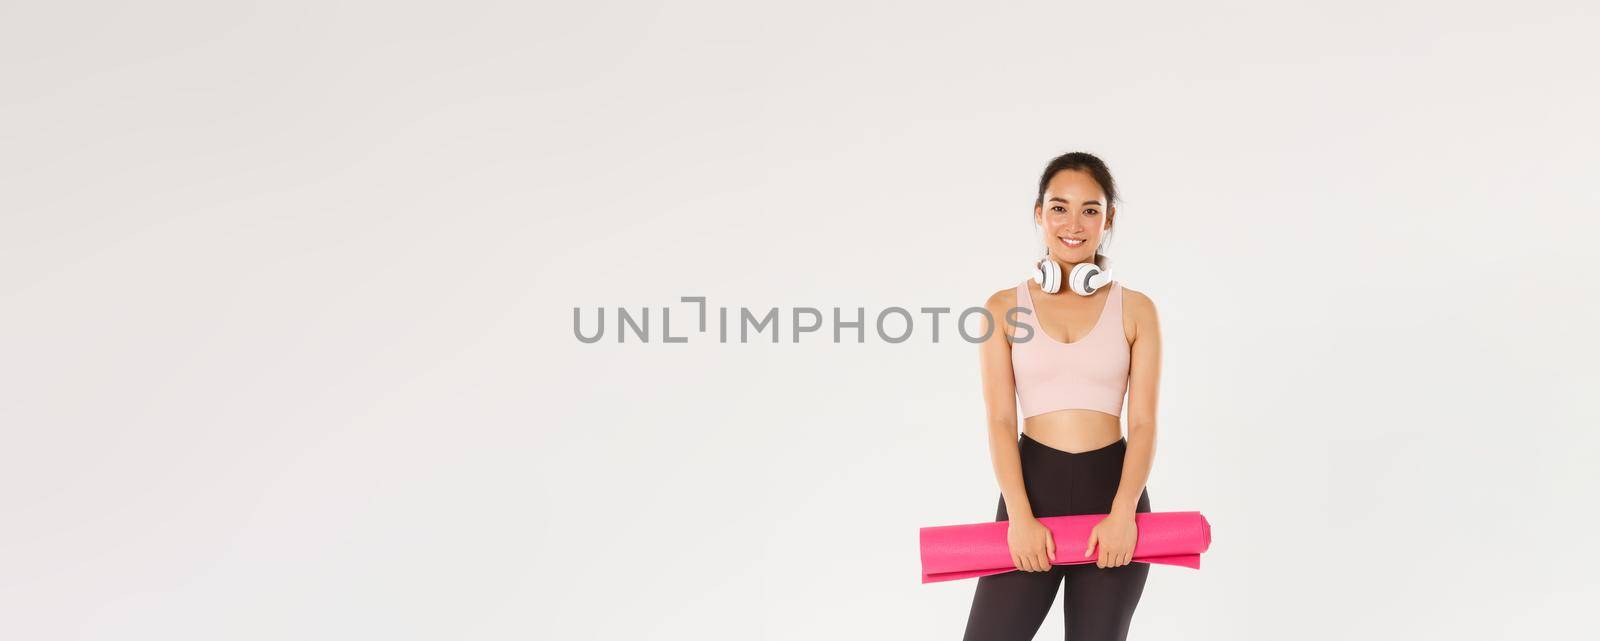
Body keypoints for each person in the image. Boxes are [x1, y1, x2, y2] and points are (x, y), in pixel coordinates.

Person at [962, 152, 1163, 640]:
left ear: (1108, 220)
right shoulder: (1002, 307)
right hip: (1032, 491)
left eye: (1090, 210)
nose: (1074, 224)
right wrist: (1020, 517)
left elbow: (1142, 425)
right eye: (1059, 208)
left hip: (1114, 495)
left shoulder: (1137, 310)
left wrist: (1123, 514)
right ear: (1038, 214)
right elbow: (1001, 423)